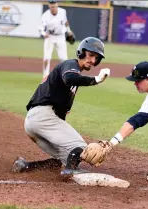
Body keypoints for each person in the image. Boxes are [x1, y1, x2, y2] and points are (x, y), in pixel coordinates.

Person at [11, 37, 110, 176]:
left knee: (69, 157)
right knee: (81, 148)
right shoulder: (70, 64)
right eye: (91, 55)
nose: (93, 61)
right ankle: (69, 172)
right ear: (81, 52)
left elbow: (61, 114)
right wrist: (96, 80)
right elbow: (69, 78)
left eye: (97, 58)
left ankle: (26, 166)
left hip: (35, 122)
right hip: (42, 116)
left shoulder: (74, 79)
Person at [39, 0, 73, 79]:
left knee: (63, 58)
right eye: (51, 6)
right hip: (50, 36)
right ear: (49, 6)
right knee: (47, 58)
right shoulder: (45, 15)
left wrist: (69, 31)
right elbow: (40, 28)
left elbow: (65, 22)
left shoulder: (62, 12)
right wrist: (44, 34)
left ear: (57, 5)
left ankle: (64, 75)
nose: (53, 8)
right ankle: (45, 76)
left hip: (60, 36)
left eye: (54, 6)